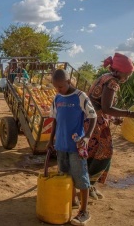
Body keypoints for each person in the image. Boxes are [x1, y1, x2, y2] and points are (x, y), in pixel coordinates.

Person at [85, 53, 134, 200]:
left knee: (91, 153)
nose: (128, 77)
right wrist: (131, 114)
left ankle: (88, 186)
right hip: (95, 122)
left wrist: (114, 118)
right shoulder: (112, 82)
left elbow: (100, 104)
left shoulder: (104, 77)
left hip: (88, 119)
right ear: (119, 71)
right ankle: (87, 186)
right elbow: (106, 108)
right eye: (128, 74)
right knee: (105, 153)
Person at [48, 69, 97, 226]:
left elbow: (93, 116)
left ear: (69, 82)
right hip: (61, 145)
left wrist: (87, 136)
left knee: (81, 178)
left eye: (61, 86)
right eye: (56, 87)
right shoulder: (57, 98)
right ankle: (72, 201)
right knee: (66, 176)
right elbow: (55, 120)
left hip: (77, 146)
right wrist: (51, 141)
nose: (58, 90)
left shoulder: (80, 96)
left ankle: (84, 212)